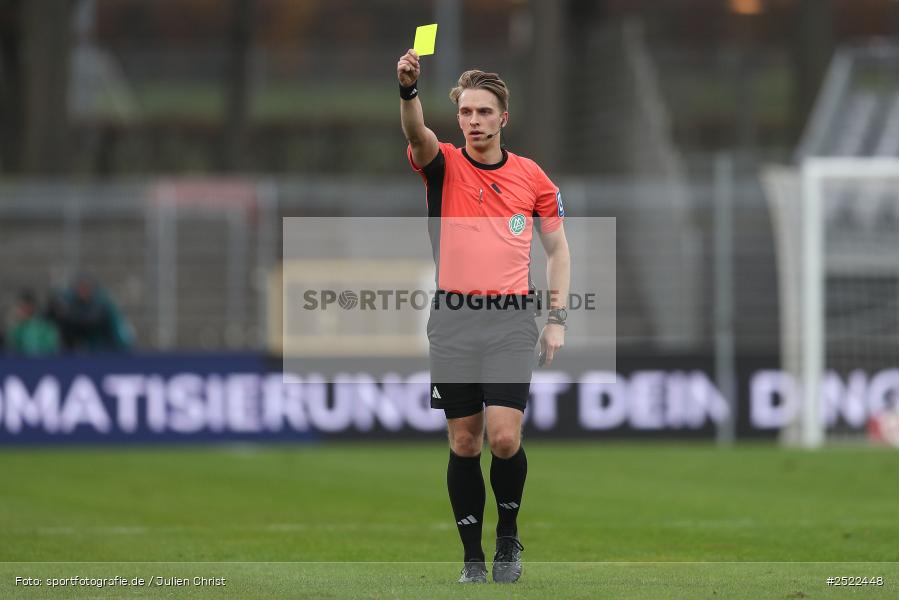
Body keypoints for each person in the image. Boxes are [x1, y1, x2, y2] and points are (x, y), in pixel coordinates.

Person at [397, 49, 571, 583]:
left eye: (483, 113)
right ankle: (472, 557)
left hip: (511, 321)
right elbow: (416, 133)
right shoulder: (443, 163)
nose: (473, 121)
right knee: (464, 441)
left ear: (503, 119)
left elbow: (558, 251)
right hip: (453, 320)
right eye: (466, 113)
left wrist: (557, 318)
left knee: (504, 438)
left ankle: (508, 540)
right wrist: (408, 91)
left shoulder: (532, 178)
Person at [47, 275, 134, 352]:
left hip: (100, 346)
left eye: (86, 288)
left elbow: (111, 326)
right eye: (80, 288)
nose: (83, 291)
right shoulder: (69, 301)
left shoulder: (102, 305)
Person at [6, 290, 61, 356]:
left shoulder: (45, 326)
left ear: (32, 306)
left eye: (25, 306)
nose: (22, 310)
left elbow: (52, 347)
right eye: (21, 307)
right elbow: (11, 347)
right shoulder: (17, 327)